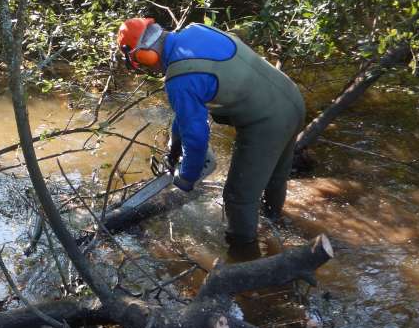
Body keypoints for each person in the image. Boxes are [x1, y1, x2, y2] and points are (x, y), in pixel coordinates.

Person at [117, 17, 305, 248]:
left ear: (146, 53)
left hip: (266, 122)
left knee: (238, 199)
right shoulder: (196, 31)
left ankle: (244, 256)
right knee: (275, 178)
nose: (148, 67)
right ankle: (276, 224)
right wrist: (174, 150)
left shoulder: (179, 79)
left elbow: (196, 138)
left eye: (140, 61)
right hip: (292, 98)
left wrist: (187, 178)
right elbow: (185, 117)